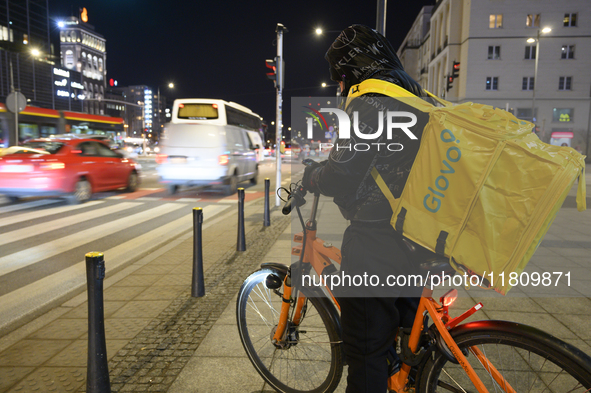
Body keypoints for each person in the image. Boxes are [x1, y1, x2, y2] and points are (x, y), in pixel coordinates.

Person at [301, 25, 433, 392]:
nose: (340, 88)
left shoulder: (371, 98)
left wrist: (313, 177)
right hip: (418, 230)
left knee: (364, 348)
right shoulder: (410, 89)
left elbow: (343, 172)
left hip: (379, 237)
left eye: (340, 79)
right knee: (407, 337)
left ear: (352, 69)